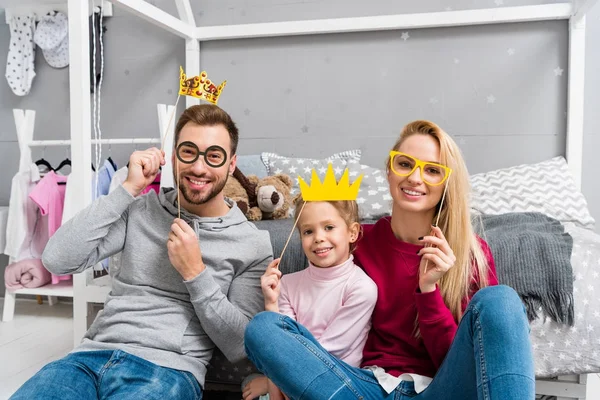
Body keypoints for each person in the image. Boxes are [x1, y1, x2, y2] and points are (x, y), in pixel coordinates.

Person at [244, 120, 535, 399]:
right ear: (389, 171)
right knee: (263, 327)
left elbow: (460, 362)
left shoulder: (471, 254)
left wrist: (429, 291)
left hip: (441, 390)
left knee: (502, 301)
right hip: (362, 388)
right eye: (405, 164)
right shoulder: (356, 241)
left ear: (447, 183)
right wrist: (277, 367)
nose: (415, 178)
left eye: (432, 170)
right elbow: (313, 294)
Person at [10, 104, 273, 400]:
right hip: (87, 358)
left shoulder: (252, 243)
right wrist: (128, 189)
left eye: (213, 156)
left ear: (231, 163)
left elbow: (238, 344)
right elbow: (56, 260)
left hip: (166, 369)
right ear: (174, 156)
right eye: (189, 152)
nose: (199, 168)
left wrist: (195, 273)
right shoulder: (140, 209)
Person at [243, 196, 377, 400]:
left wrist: (280, 385)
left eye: (329, 227)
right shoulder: (287, 284)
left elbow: (325, 356)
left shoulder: (362, 288)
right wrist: (271, 303)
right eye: (308, 231)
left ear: (352, 233)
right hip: (287, 381)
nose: (318, 237)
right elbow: (278, 348)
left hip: (334, 386)